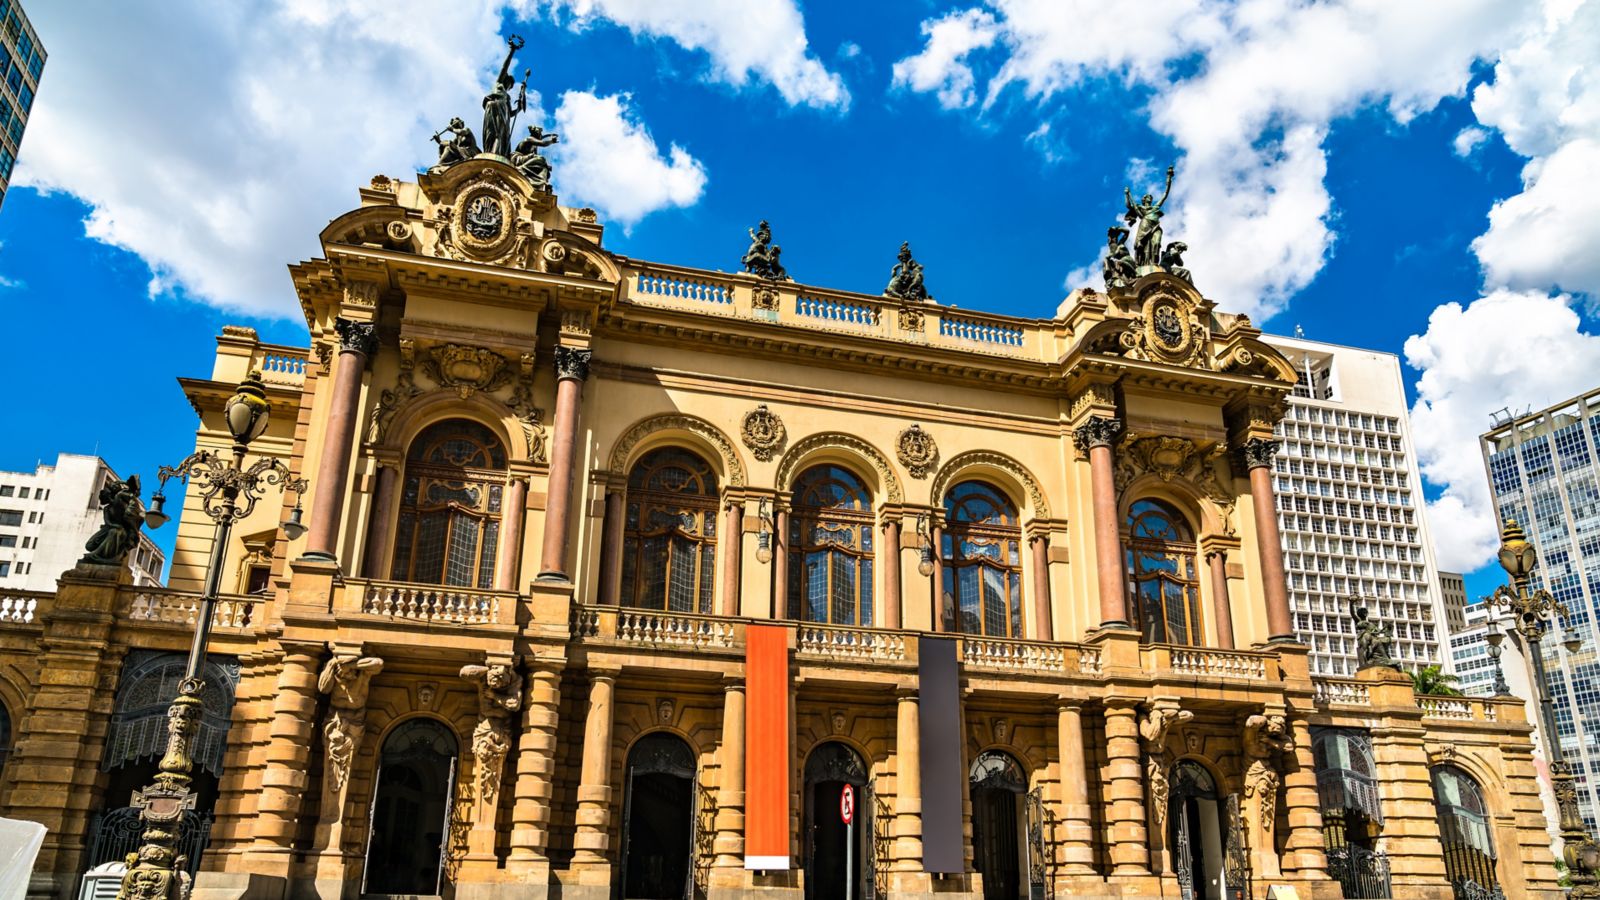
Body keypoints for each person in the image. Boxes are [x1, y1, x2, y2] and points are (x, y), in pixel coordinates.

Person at [1124, 164, 1175, 268]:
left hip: (1155, 227)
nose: (1150, 198)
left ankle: (1154, 261)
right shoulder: (1140, 208)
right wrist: (1127, 195)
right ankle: (1143, 264)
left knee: (1156, 243)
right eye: (1147, 197)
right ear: (1144, 199)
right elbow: (1129, 205)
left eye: (1150, 197)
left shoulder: (1155, 207)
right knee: (1141, 247)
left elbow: (1165, 195)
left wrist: (1169, 178)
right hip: (1144, 227)